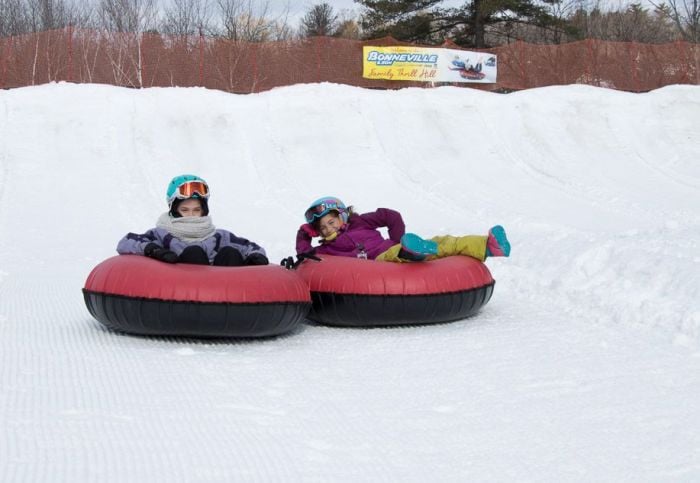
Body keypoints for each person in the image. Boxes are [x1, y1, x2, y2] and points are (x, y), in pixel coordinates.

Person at [294, 196, 510, 263]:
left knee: (443, 241)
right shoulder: (327, 249)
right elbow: (305, 253)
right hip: (379, 260)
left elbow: (391, 216)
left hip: (395, 244)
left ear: (341, 216)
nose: (327, 228)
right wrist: (304, 233)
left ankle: (489, 246)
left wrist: (398, 238)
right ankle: (411, 252)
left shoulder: (359, 222)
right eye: (322, 228)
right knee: (394, 254)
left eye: (331, 222)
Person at [117, 174, 269, 266]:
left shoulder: (219, 236)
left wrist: (255, 257)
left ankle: (235, 304)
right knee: (194, 253)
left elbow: (250, 247)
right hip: (183, 294)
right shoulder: (161, 235)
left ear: (204, 211)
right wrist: (155, 250)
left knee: (230, 252)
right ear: (174, 210)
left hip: (223, 294)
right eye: (185, 210)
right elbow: (126, 242)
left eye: (197, 210)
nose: (191, 215)